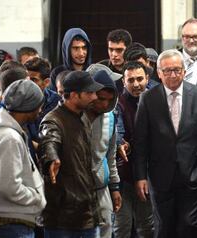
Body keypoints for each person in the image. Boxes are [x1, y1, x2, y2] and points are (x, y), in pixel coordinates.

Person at [133, 49, 197, 238]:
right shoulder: (147, 99)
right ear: (159, 72)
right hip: (160, 176)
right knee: (164, 228)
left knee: (189, 225)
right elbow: (140, 141)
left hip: (193, 174)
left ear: (184, 70)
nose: (173, 75)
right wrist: (140, 176)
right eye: (168, 71)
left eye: (177, 70)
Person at [39, 71, 104, 237]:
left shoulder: (83, 116)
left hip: (87, 212)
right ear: (74, 95)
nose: (95, 97)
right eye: (89, 93)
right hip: (62, 218)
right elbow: (49, 140)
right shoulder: (53, 120)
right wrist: (51, 158)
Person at [0, 79, 46, 237]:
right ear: (28, 106)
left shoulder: (7, 133)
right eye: (38, 105)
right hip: (13, 226)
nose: (40, 110)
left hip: (15, 224)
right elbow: (9, 186)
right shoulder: (9, 138)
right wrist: (37, 198)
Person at [114, 61, 154, 238]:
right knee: (121, 227)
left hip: (150, 174)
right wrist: (119, 143)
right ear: (123, 82)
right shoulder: (118, 104)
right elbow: (115, 131)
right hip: (124, 176)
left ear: (147, 78)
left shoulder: (156, 102)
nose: (136, 84)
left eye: (140, 79)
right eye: (131, 80)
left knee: (147, 227)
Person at [83, 70, 122, 238]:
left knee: (106, 230)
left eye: (109, 100)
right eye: (100, 98)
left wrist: (114, 187)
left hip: (102, 188)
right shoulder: (75, 116)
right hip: (77, 190)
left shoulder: (111, 118)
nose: (104, 104)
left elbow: (110, 156)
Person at [24, 57, 61, 164]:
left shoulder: (56, 102)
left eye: (34, 80)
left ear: (46, 82)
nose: (28, 84)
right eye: (26, 80)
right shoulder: (19, 102)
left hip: (53, 158)